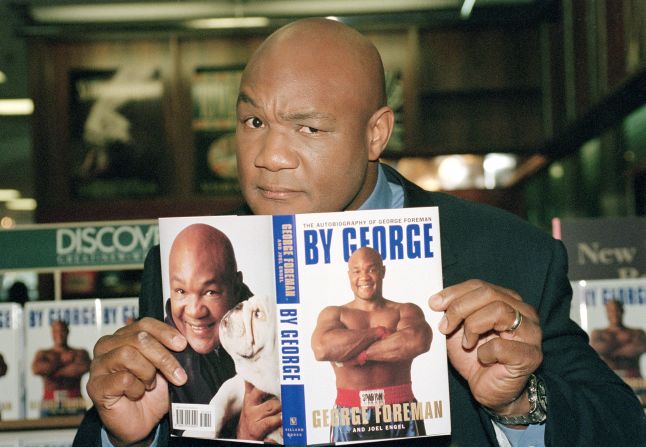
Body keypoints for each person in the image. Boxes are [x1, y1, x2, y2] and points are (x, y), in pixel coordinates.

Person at [76, 18, 646, 447]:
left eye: (308, 127)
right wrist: (126, 434)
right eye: (253, 121)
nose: (269, 155)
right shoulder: (189, 261)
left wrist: (522, 403)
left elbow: (622, 427)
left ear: (376, 134)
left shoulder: (504, 254)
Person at [163, 223, 278, 439]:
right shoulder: (155, 360)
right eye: (181, 291)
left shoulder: (269, 325)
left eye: (210, 292)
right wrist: (243, 437)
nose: (195, 310)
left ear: (236, 286)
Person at [311, 246, 432, 441]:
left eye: (371, 269)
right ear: (349, 275)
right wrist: (378, 333)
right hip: (349, 413)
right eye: (357, 271)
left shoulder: (405, 310)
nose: (364, 277)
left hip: (401, 410)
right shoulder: (334, 313)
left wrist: (357, 354)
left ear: (383, 271)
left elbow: (416, 341)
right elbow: (323, 348)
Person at [32, 319, 91, 417]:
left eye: (62, 331)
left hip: (74, 402)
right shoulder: (43, 353)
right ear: (52, 333)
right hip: (50, 403)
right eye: (56, 331)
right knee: (46, 432)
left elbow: (84, 367)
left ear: (67, 332)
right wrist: (63, 362)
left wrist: (52, 369)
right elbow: (36, 369)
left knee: (80, 431)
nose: (59, 334)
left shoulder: (79, 352)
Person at [590, 299, 646, 379]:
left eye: (617, 310)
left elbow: (641, 348)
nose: (614, 314)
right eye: (611, 311)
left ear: (623, 311)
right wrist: (624, 342)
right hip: (609, 378)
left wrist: (610, 347)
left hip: (633, 378)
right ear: (607, 313)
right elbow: (598, 349)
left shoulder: (637, 332)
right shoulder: (598, 333)